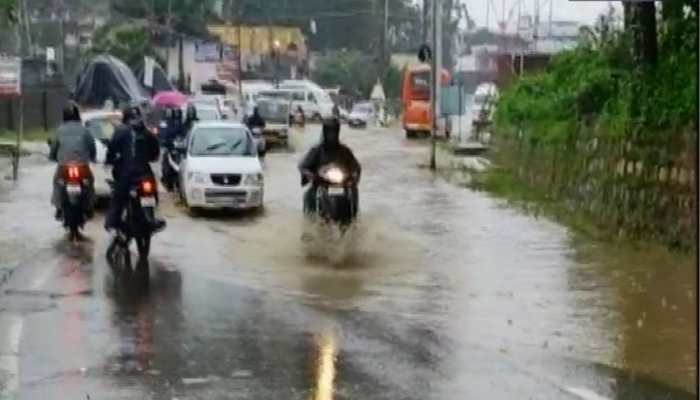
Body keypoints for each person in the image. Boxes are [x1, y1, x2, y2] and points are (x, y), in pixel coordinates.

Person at [104, 105, 164, 232]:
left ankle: (113, 225)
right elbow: (155, 153)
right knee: (152, 191)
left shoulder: (120, 131)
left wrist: (110, 161)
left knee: (117, 199)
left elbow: (111, 150)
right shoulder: (146, 132)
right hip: (144, 174)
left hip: (125, 175)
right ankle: (152, 218)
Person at [298, 118, 361, 215]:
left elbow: (355, 166)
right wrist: (309, 174)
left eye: (334, 131)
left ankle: (352, 217)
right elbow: (304, 166)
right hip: (321, 183)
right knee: (311, 194)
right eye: (329, 132)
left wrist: (354, 176)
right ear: (325, 132)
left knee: (353, 192)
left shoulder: (345, 151)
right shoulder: (317, 151)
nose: (332, 135)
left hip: (342, 184)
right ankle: (311, 217)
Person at [49, 102, 96, 220]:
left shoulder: (60, 130)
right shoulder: (84, 130)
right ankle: (89, 208)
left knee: (57, 183)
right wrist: (93, 158)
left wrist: (52, 157)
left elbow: (54, 147)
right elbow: (92, 146)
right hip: (82, 165)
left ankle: (59, 208)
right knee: (89, 183)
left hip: (64, 165)